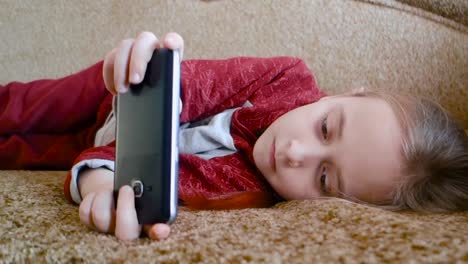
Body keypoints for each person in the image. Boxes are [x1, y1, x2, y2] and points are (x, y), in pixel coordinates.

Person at [1, 32, 466, 241]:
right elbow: (192, 82)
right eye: (325, 127)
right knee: (22, 105)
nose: (293, 152)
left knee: (22, 153)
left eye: (325, 179)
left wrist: (103, 183)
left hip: (104, 154)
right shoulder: (288, 77)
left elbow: (168, 185)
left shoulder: (251, 195)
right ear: (346, 93)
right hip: (116, 96)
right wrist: (142, 64)